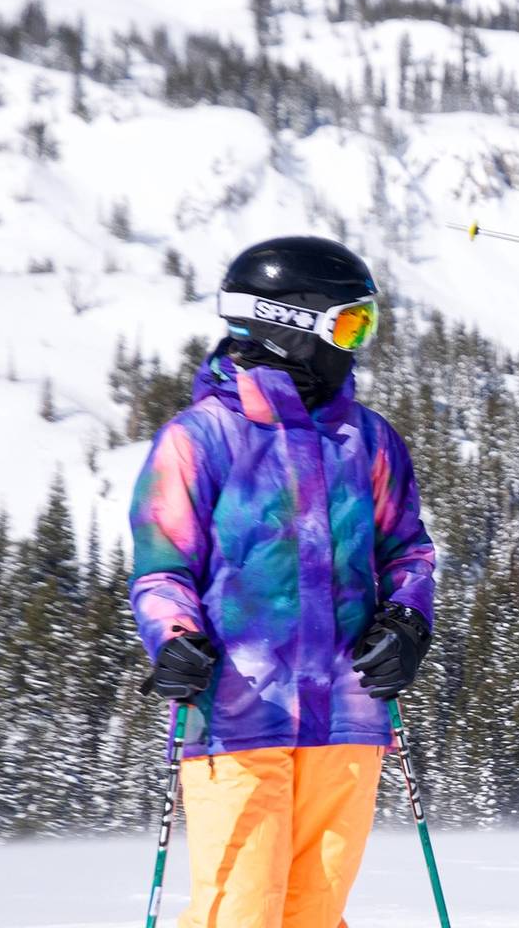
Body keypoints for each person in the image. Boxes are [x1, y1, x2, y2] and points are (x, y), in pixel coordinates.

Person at [131, 236, 437, 927]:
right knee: (240, 910)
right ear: (291, 327)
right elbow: (162, 567)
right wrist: (173, 636)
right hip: (240, 712)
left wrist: (408, 621)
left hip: (348, 716)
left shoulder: (369, 439)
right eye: (350, 324)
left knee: (317, 909)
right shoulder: (201, 438)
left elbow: (407, 553)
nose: (358, 344)